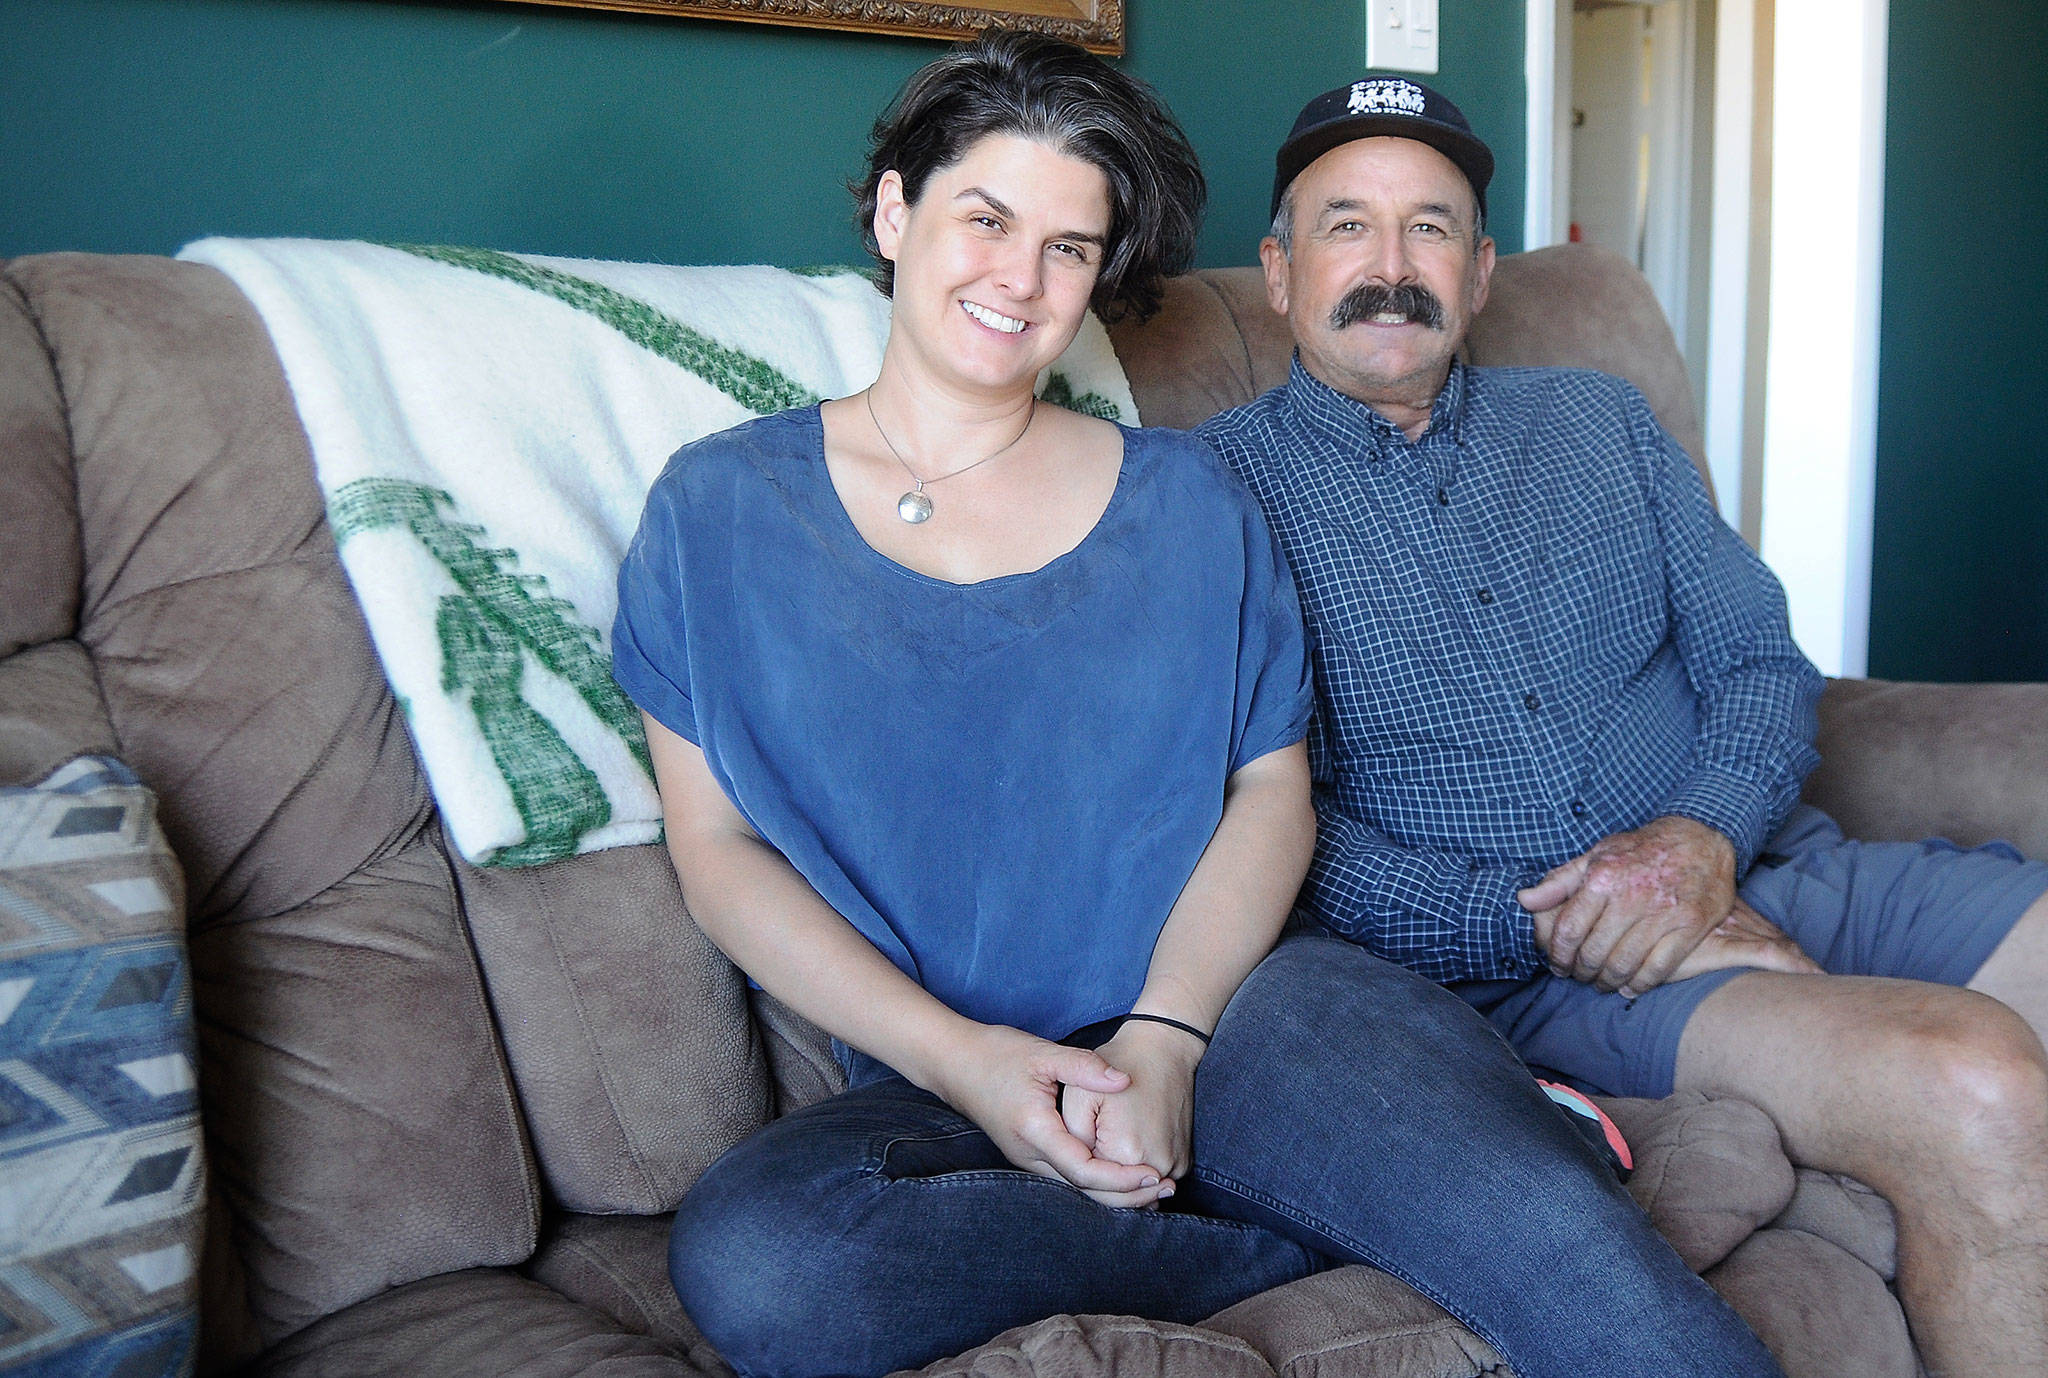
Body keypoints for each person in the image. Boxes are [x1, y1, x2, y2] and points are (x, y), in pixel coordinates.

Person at [614, 34, 1781, 1378]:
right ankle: (1334, 1220)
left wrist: (1166, 1036)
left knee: (1581, 1274)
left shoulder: (1188, 499)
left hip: (1256, 1018)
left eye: (1069, 246)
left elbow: (1271, 790)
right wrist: (970, 1061)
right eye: (985, 218)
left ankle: (1450, 1168)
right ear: (895, 211)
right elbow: (718, 851)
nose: (1019, 276)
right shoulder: (713, 513)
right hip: (945, 1090)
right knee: (765, 1259)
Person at [1197, 74, 2048, 1378]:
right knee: (1976, 1077)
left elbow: (1762, 660)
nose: (1390, 265)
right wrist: (1561, 914)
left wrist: (1702, 839)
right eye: (1345, 225)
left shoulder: (1598, 421)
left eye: (1431, 227)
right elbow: (1276, 835)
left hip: (1772, 865)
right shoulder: (1209, 500)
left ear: (1481, 272)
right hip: (1545, 976)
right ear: (1278, 268)